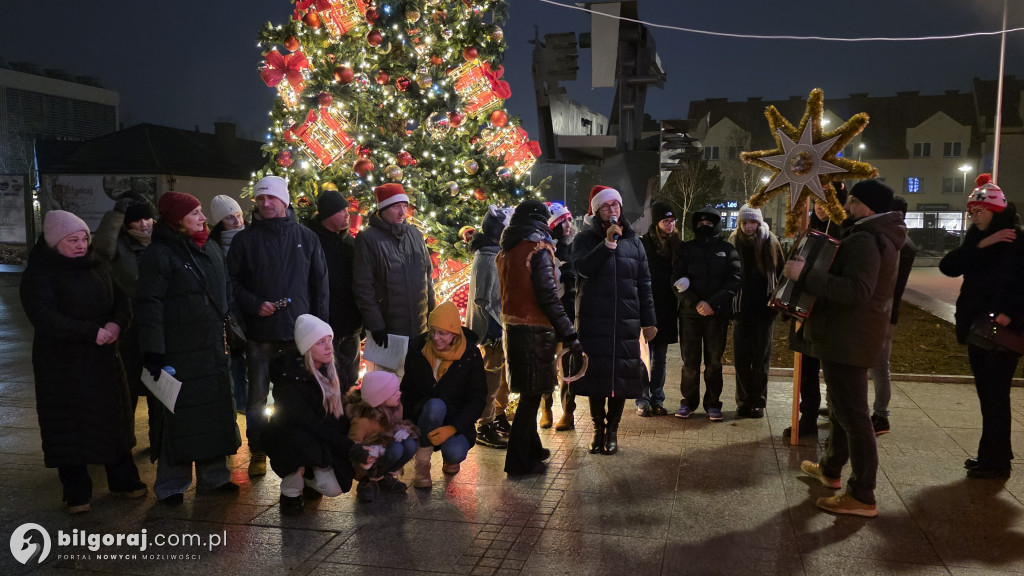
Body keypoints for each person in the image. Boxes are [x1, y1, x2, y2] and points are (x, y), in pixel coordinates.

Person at [786, 179, 906, 517]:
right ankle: (831, 467)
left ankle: (862, 494)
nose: (846, 206)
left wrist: (803, 275)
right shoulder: (879, 234)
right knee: (840, 408)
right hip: (851, 336)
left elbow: (856, 290)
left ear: (865, 206)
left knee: (854, 416)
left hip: (848, 339)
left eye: (851, 201)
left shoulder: (867, 239)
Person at [21, 210, 146, 514]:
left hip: (103, 358)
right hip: (62, 364)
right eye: (72, 240)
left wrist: (117, 324)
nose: (80, 245)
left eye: (83, 239)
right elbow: (45, 316)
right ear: (53, 243)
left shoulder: (97, 264)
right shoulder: (40, 273)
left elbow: (121, 300)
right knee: (69, 426)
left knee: (112, 419)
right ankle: (77, 492)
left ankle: (123, 480)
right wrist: (91, 332)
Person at [136, 192, 242, 506]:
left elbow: (224, 292)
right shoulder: (159, 254)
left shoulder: (209, 246)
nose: (202, 217)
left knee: (212, 412)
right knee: (177, 419)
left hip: (210, 345)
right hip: (177, 350)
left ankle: (214, 477)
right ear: (176, 219)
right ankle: (172, 485)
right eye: (194, 212)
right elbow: (149, 305)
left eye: (200, 211)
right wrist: (154, 351)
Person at [227, 175, 330, 477]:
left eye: (271, 197)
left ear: (284, 200)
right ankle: (258, 449)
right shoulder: (244, 240)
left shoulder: (307, 237)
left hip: (300, 335)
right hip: (260, 335)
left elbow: (320, 284)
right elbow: (230, 282)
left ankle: (301, 451)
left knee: (301, 397)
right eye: (260, 198)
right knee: (257, 397)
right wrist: (253, 303)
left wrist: (320, 330)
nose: (265, 202)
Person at [940, 174, 1023, 479]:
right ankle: (992, 454)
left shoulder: (1018, 239)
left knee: (996, 395)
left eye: (979, 211)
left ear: (995, 209)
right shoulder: (978, 238)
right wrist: (982, 245)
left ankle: (997, 460)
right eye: (971, 212)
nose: (974, 217)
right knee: (988, 396)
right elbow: (948, 266)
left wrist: (1010, 313)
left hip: (1003, 332)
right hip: (977, 328)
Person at [497, 200, 581, 474]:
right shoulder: (538, 248)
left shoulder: (509, 245)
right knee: (531, 397)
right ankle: (519, 462)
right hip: (534, 328)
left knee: (529, 394)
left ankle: (532, 448)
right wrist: (569, 332)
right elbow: (547, 295)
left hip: (513, 327)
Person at [572, 186, 657, 455]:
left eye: (615, 205)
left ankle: (613, 431)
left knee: (620, 377)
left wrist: (649, 320)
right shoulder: (584, 239)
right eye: (606, 206)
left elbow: (644, 283)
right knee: (596, 376)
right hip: (594, 320)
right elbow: (582, 269)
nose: (612, 210)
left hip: (626, 321)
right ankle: (597, 429)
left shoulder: (634, 242)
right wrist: (607, 244)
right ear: (596, 211)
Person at [262, 314, 363, 516]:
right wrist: (348, 448)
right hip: (291, 437)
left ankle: (309, 476)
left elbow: (338, 418)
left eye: (329, 340)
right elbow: (307, 422)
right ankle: (290, 491)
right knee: (300, 444)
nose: (328, 347)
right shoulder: (289, 378)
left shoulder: (336, 369)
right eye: (320, 343)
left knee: (334, 487)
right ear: (307, 347)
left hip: (321, 436)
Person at [783, 182, 849, 438]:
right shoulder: (808, 230)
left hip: (831, 311)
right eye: (817, 202)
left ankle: (838, 418)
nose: (820, 208)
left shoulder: (845, 232)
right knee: (806, 369)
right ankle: (807, 417)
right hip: (805, 309)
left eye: (826, 202)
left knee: (833, 371)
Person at [400, 301, 486, 488]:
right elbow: (406, 389)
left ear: (454, 332)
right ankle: (422, 464)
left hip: (455, 418)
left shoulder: (470, 355)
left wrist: (453, 428)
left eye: (442, 333)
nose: (435, 337)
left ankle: (450, 457)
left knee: (454, 452)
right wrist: (404, 420)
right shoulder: (418, 349)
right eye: (432, 331)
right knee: (435, 405)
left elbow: (477, 400)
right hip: (425, 414)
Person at [92, 193, 156, 445]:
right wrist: (116, 215)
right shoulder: (117, 244)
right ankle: (123, 440)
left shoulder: (160, 241)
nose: (144, 224)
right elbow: (100, 249)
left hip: (155, 323)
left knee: (158, 388)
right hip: (128, 326)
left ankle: (158, 440)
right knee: (126, 387)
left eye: (147, 218)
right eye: (136, 220)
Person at [672, 205, 741, 421]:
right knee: (690, 363)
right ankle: (688, 403)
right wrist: (696, 303)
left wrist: (712, 304)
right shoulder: (686, 249)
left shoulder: (727, 250)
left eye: (709, 222)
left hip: (717, 315)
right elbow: (676, 279)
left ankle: (713, 404)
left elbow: (735, 279)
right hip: (689, 315)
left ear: (717, 223)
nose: (705, 225)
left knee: (714, 362)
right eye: (701, 222)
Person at [353, 183, 435, 354]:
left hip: (420, 330)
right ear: (383, 209)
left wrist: (432, 317)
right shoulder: (367, 238)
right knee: (390, 380)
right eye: (396, 206)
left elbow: (427, 278)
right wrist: (376, 325)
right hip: (389, 331)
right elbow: (363, 286)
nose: (402, 212)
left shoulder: (415, 234)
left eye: (404, 206)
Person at [729, 204, 785, 419]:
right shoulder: (733, 243)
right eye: (744, 222)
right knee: (742, 357)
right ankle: (743, 400)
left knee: (761, 358)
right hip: (740, 308)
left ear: (759, 222)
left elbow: (780, 275)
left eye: (752, 222)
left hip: (765, 309)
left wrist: (777, 303)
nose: (748, 226)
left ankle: (758, 402)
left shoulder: (771, 242)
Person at [868, 196, 917, 435]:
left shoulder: (897, 244)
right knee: (876, 365)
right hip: (888, 311)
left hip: (883, 312)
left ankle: (881, 415)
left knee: (879, 366)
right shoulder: (904, 242)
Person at [306, 186, 363, 389]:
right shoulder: (311, 241)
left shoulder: (350, 242)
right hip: (324, 327)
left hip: (351, 327)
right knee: (327, 382)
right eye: (342, 211)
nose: (348, 215)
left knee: (350, 379)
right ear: (328, 214)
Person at [468, 206, 512, 449]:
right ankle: (484, 424)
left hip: (502, 324)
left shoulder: (498, 253)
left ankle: (498, 415)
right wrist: (497, 327)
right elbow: (483, 300)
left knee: (503, 375)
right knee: (491, 377)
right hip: (492, 329)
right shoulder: (486, 257)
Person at [345, 371, 419, 502]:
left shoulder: (396, 408)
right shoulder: (363, 420)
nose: (399, 393)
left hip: (387, 448)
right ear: (380, 397)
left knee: (410, 444)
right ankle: (368, 480)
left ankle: (385, 476)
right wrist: (365, 454)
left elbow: (397, 426)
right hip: (368, 460)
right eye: (394, 392)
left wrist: (402, 430)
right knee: (396, 449)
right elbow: (352, 447)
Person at [637, 201, 680, 417]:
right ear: (657, 222)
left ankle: (657, 398)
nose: (670, 224)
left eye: (673, 220)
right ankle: (642, 399)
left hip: (668, 307)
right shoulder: (644, 244)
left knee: (660, 358)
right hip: (647, 306)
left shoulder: (677, 243)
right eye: (666, 221)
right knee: (645, 355)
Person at [208, 194, 248, 413]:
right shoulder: (212, 245)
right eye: (229, 218)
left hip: (251, 305)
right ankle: (240, 401)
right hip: (229, 309)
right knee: (236, 357)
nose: (237, 221)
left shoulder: (252, 237)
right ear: (219, 221)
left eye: (239, 215)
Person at [542, 201, 579, 430]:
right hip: (546, 315)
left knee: (568, 364)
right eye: (561, 221)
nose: (567, 225)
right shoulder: (544, 248)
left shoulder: (575, 246)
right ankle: (545, 409)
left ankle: (568, 411)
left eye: (568, 220)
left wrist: (571, 274)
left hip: (568, 314)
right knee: (546, 364)